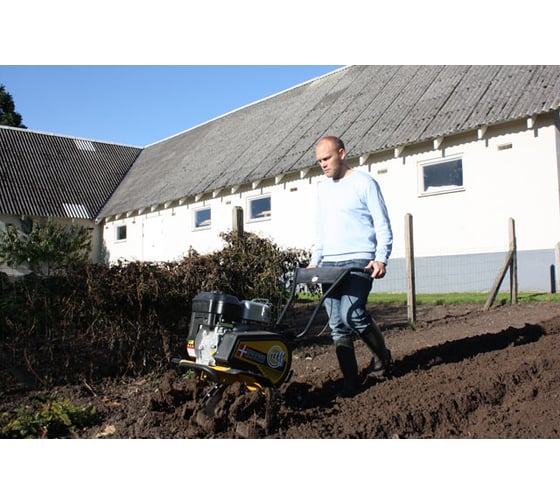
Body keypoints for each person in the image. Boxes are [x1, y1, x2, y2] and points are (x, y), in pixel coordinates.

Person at [308, 136, 393, 397]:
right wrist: (315, 260)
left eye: (327, 158)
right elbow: (321, 229)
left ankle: (382, 356)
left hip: (359, 261)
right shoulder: (323, 189)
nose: (323, 164)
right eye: (319, 161)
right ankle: (350, 383)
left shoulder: (364, 183)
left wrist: (381, 258)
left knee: (352, 314)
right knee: (337, 324)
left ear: (342, 153)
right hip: (329, 263)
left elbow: (382, 223)